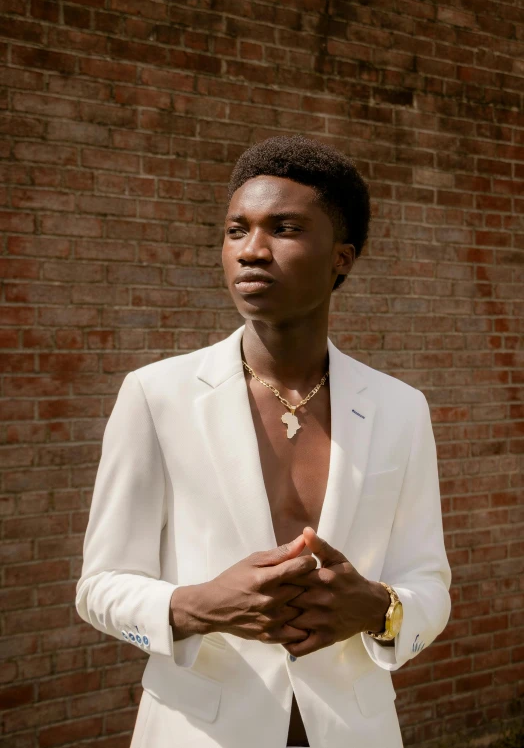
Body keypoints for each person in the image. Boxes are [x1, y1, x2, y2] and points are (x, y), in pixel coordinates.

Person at [76, 135, 451, 748]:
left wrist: (381, 610)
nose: (251, 251)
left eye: (284, 228)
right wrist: (196, 605)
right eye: (235, 230)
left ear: (342, 257)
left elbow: (429, 583)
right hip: (198, 732)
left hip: (354, 730)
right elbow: (100, 586)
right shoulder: (157, 395)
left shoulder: (399, 409)